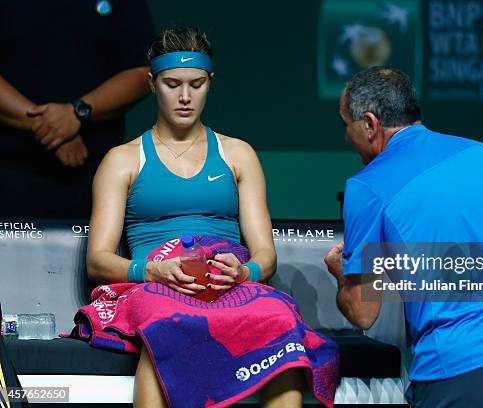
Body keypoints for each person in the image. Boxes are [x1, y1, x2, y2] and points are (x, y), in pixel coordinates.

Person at [324, 66, 483, 407]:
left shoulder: (365, 187)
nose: (344, 137)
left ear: (369, 123)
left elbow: (364, 312)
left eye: (345, 125)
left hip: (463, 371)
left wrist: (341, 274)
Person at [85, 27, 305, 408]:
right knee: (167, 319)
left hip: (229, 284)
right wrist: (153, 271)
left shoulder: (238, 154)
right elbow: (98, 260)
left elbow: (265, 255)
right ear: (152, 84)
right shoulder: (122, 160)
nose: (185, 96)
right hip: (155, 284)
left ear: (210, 83)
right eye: (172, 84)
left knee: (280, 317)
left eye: (196, 84)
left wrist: (245, 272)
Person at [0, 0, 154, 218]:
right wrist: (47, 125)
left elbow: (142, 71)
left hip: (96, 176)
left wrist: (76, 112)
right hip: (8, 170)